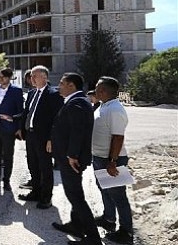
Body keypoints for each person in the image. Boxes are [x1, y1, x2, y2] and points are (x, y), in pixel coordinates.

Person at [51, 72, 102, 245]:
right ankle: (76, 225)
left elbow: (77, 131)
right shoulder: (75, 101)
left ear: (71, 85)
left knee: (76, 197)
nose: (59, 86)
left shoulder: (77, 102)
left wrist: (72, 155)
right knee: (74, 193)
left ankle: (93, 238)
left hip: (72, 160)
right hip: (69, 157)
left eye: (61, 83)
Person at [91, 77, 134, 245]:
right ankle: (108, 218)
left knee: (118, 196)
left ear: (103, 91)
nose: (94, 91)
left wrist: (113, 161)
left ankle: (126, 232)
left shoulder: (115, 109)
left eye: (97, 88)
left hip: (111, 159)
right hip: (100, 157)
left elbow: (118, 137)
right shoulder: (104, 106)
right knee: (104, 189)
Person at [17, 65, 64, 209]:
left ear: (44, 77)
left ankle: (46, 197)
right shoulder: (31, 93)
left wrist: (51, 139)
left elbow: (58, 119)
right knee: (33, 165)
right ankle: (35, 192)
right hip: (30, 135)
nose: (31, 79)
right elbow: (27, 112)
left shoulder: (53, 95)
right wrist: (21, 128)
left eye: (34, 76)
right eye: (30, 76)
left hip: (44, 138)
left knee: (45, 168)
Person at [0, 68, 24, 191]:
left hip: (8, 129)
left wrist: (16, 125)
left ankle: (6, 181)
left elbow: (20, 111)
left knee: (8, 155)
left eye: (1, 77)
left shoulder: (16, 91)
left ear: (8, 77)